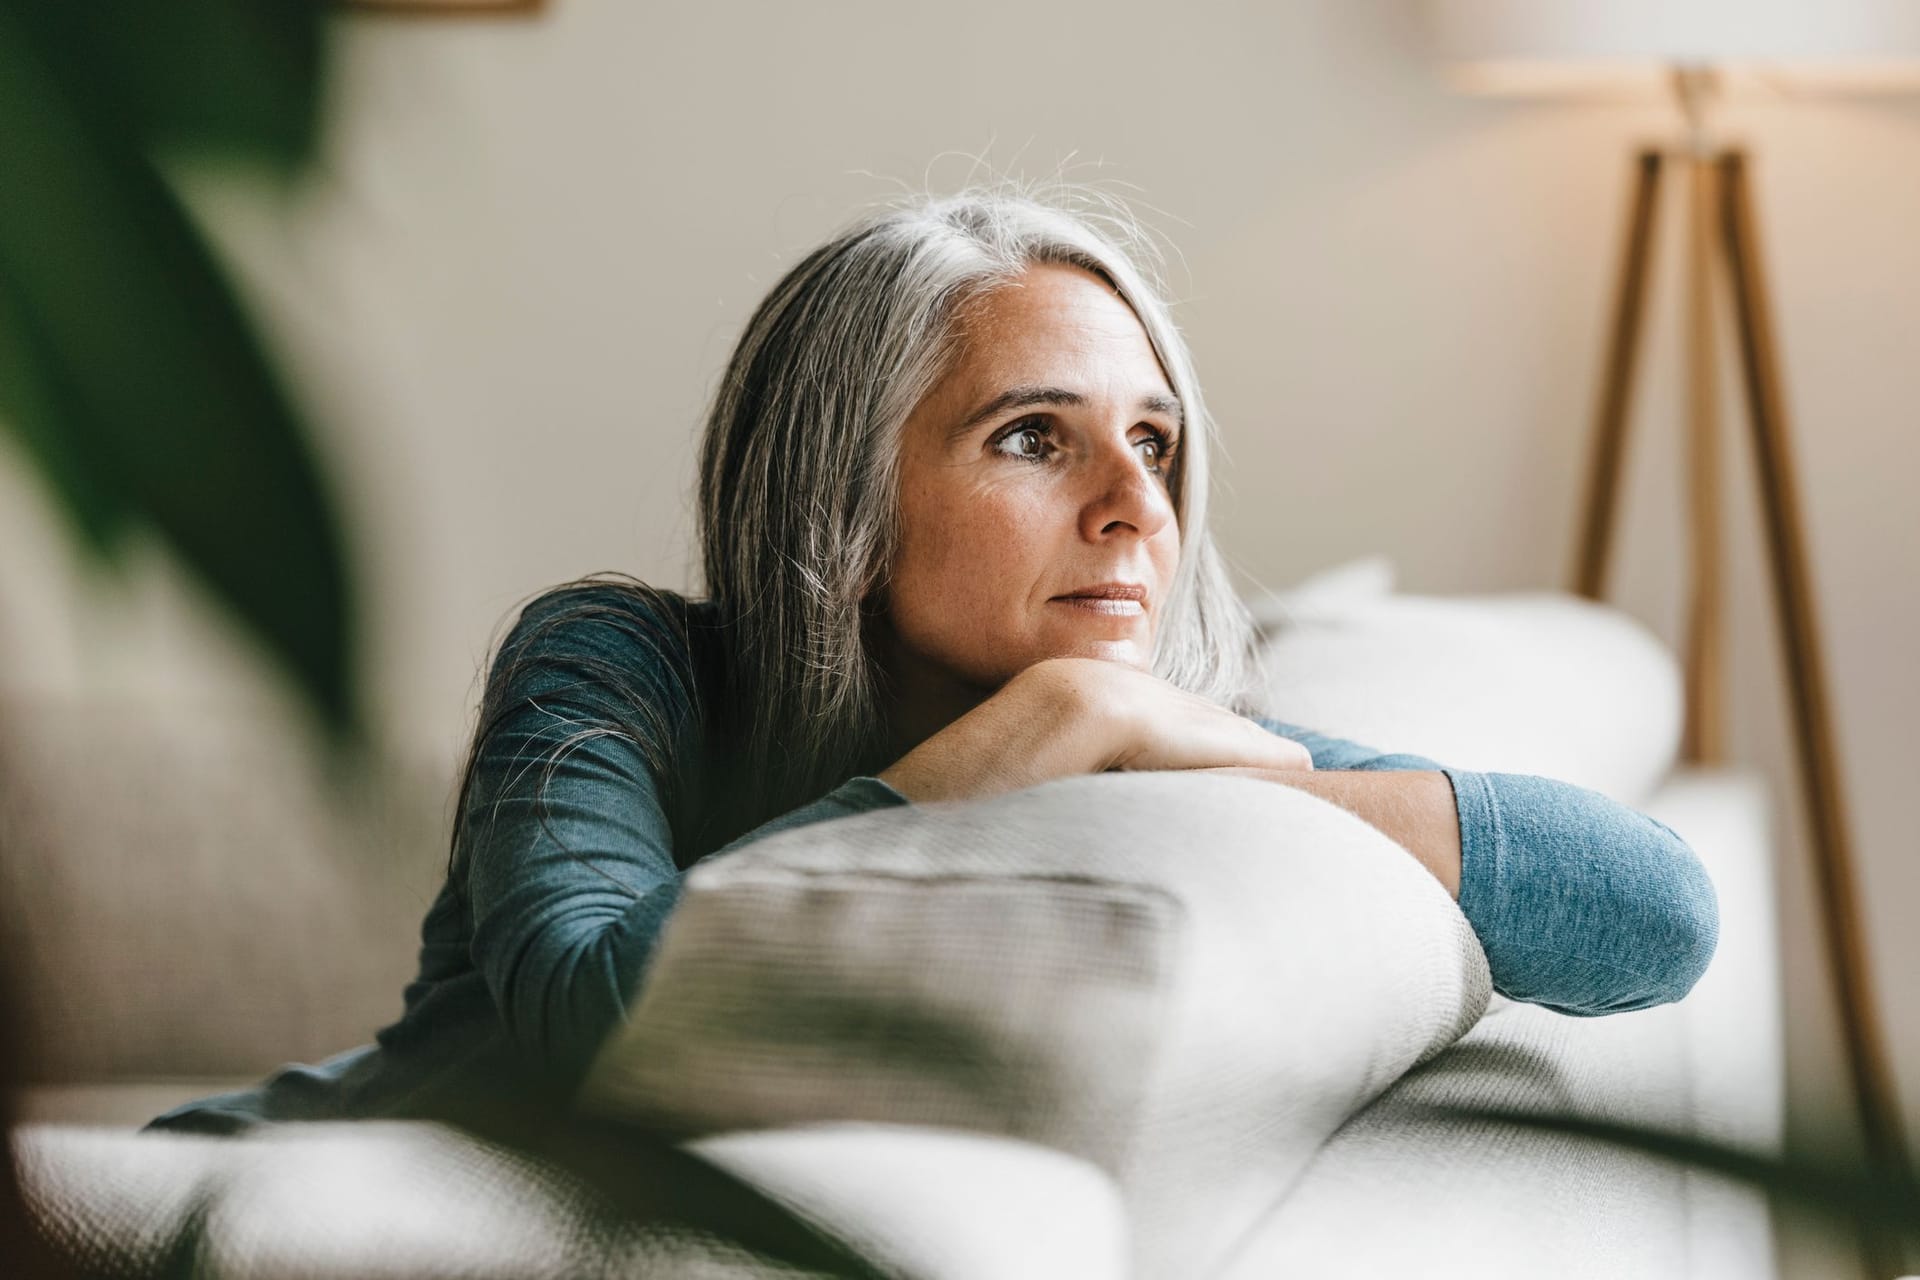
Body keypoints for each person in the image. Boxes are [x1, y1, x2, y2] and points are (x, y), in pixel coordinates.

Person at [146, 185, 1719, 1135]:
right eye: (1036, 437)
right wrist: (1031, 735)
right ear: (845, 500)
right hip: (233, 1189)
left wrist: (1269, 773)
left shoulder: (1149, 734)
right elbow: (599, 1015)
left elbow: (1653, 913)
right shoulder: (620, 664)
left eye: (1155, 446)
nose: (1134, 509)